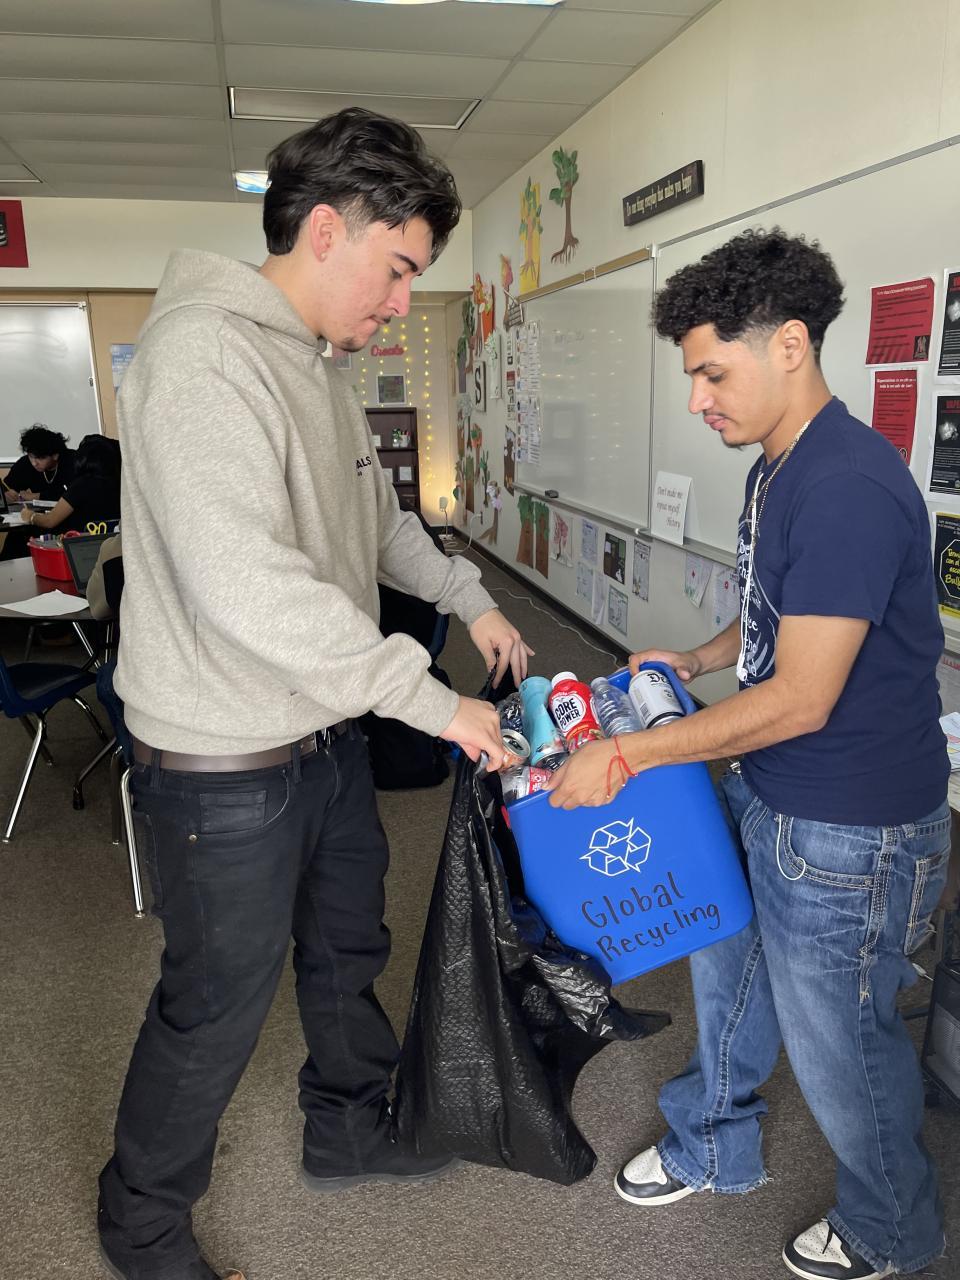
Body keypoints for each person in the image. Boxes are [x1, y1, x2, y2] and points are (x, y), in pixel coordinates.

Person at [97, 107, 532, 1280]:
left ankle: (346, 1128)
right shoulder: (202, 357)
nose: (401, 300)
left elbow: (377, 523)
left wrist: (471, 598)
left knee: (348, 946)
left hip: (325, 739)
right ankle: (141, 1227)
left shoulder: (320, 367)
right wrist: (434, 701)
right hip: (223, 764)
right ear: (328, 230)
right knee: (213, 1007)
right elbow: (249, 583)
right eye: (398, 268)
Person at [548, 229, 950, 1280]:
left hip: (853, 831)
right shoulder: (780, 466)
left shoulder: (848, 485)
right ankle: (711, 1144)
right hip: (773, 794)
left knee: (843, 1043)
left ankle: (892, 1229)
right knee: (727, 980)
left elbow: (803, 697)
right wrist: (697, 655)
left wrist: (631, 755)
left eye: (712, 374)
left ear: (790, 345)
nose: (697, 400)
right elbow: (779, 616)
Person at [22, 433, 121, 534]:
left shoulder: (81, 485)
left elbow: (50, 521)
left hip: (83, 539)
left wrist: (30, 516)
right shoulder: (119, 483)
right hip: (112, 539)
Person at [2, 423, 75, 501]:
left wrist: (37, 496)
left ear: (55, 455)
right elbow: (6, 487)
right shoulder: (25, 463)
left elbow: (76, 495)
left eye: (40, 458)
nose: (34, 463)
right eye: (31, 456)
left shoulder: (74, 461)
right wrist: (6, 494)